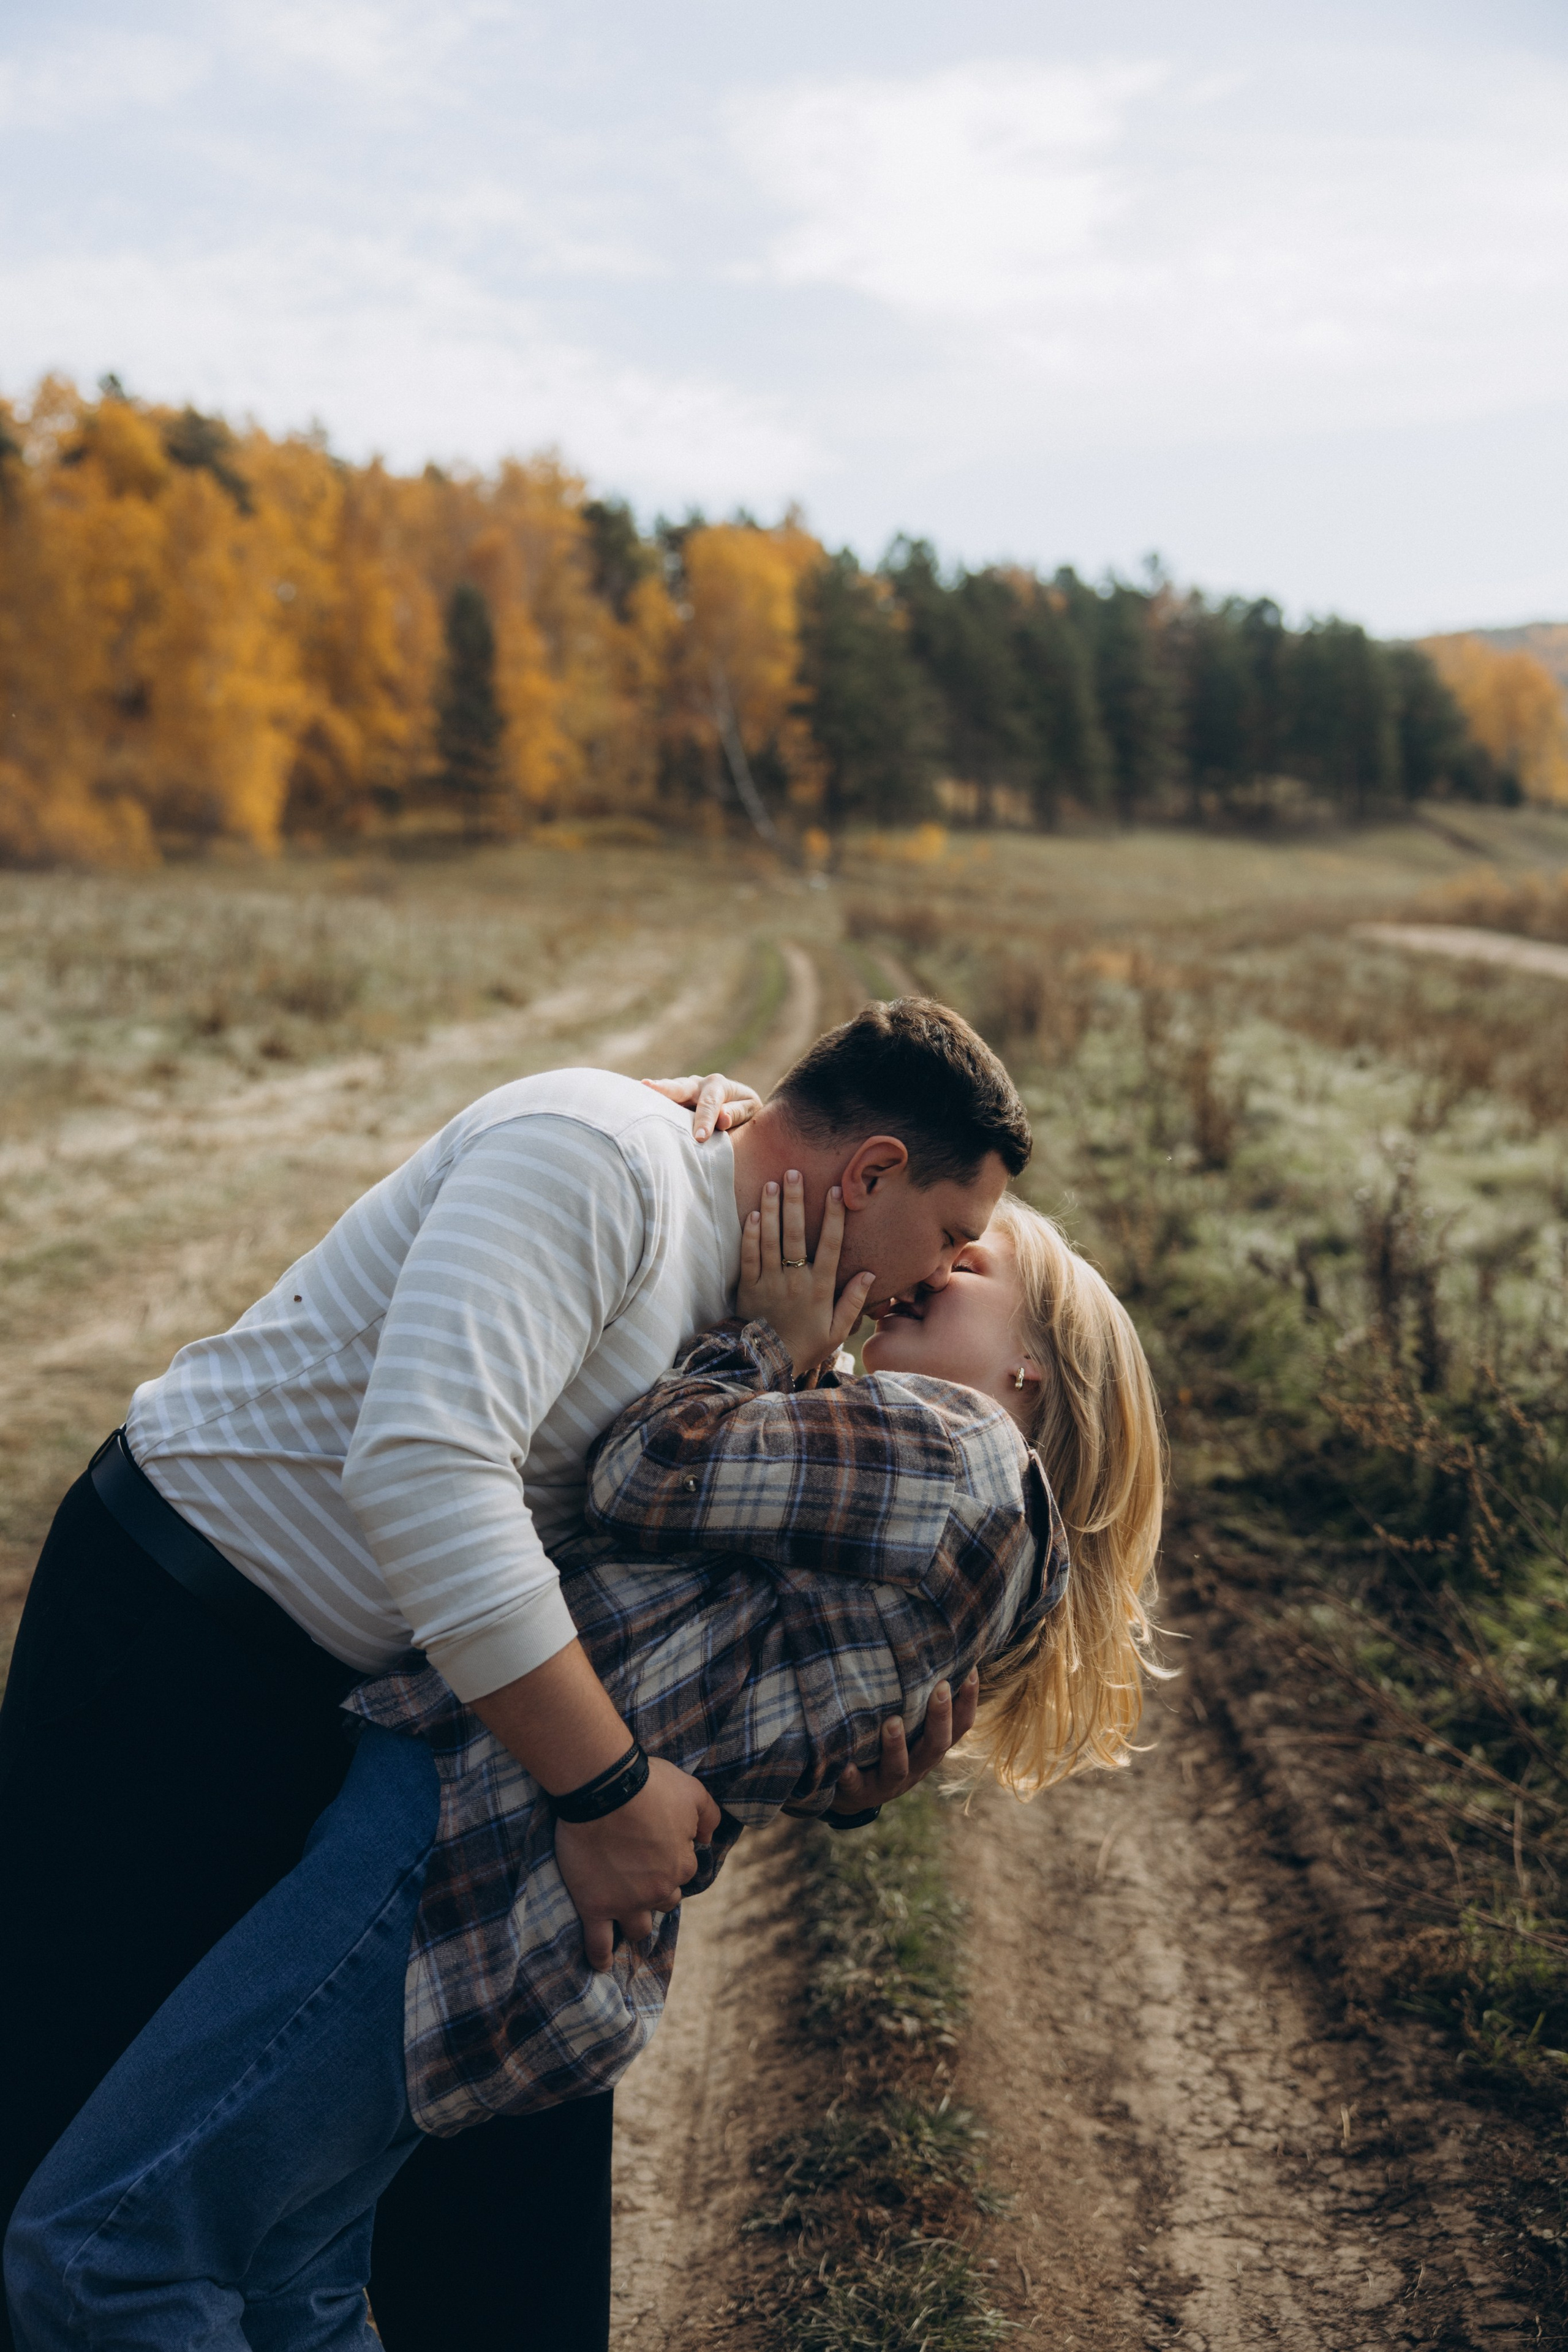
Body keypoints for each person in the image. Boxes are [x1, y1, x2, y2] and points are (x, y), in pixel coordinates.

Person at [0, 1000, 1030, 2352]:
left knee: (374, 2229)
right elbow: (426, 1474)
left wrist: (849, 1757)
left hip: (410, 1720)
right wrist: (603, 1791)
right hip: (179, 1650)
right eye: (950, 1242)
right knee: (85, 2142)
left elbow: (705, 1620)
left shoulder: (768, 1294)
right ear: (872, 1172)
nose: (934, 1277)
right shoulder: (591, 1158)